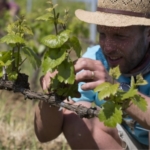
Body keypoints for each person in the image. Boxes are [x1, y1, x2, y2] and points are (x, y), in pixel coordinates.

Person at [34, 0, 150, 149]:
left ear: (148, 34)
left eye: (120, 36)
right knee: (75, 114)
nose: (107, 47)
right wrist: (51, 96)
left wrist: (115, 89)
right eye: (102, 34)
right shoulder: (95, 59)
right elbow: (44, 135)